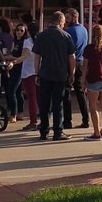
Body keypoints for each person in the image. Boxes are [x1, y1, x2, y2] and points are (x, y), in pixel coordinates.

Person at [31, 11, 76, 141]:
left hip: (45, 73)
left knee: (44, 103)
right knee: (58, 103)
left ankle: (44, 131)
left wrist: (36, 73)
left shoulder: (41, 36)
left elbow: (37, 57)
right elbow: (71, 57)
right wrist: (71, 73)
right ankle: (58, 131)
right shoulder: (66, 36)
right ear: (61, 21)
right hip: (61, 74)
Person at [64, 8, 91, 130]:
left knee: (67, 92)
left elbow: (68, 50)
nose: (65, 21)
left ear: (74, 17)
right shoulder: (84, 29)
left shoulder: (69, 30)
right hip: (81, 61)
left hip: (71, 61)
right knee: (80, 92)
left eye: (68, 18)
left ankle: (67, 120)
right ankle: (86, 119)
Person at [82, 24, 102, 140]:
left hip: (93, 78)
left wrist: (83, 80)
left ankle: (96, 132)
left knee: (93, 107)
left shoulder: (89, 48)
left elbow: (85, 66)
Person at [4, 22, 28, 123]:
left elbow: (22, 57)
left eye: (21, 30)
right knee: (18, 92)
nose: (19, 32)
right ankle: (20, 113)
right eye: (17, 30)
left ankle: (13, 114)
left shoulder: (24, 43)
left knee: (11, 91)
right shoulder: (15, 41)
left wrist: (12, 58)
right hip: (12, 67)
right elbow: (12, 52)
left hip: (19, 69)